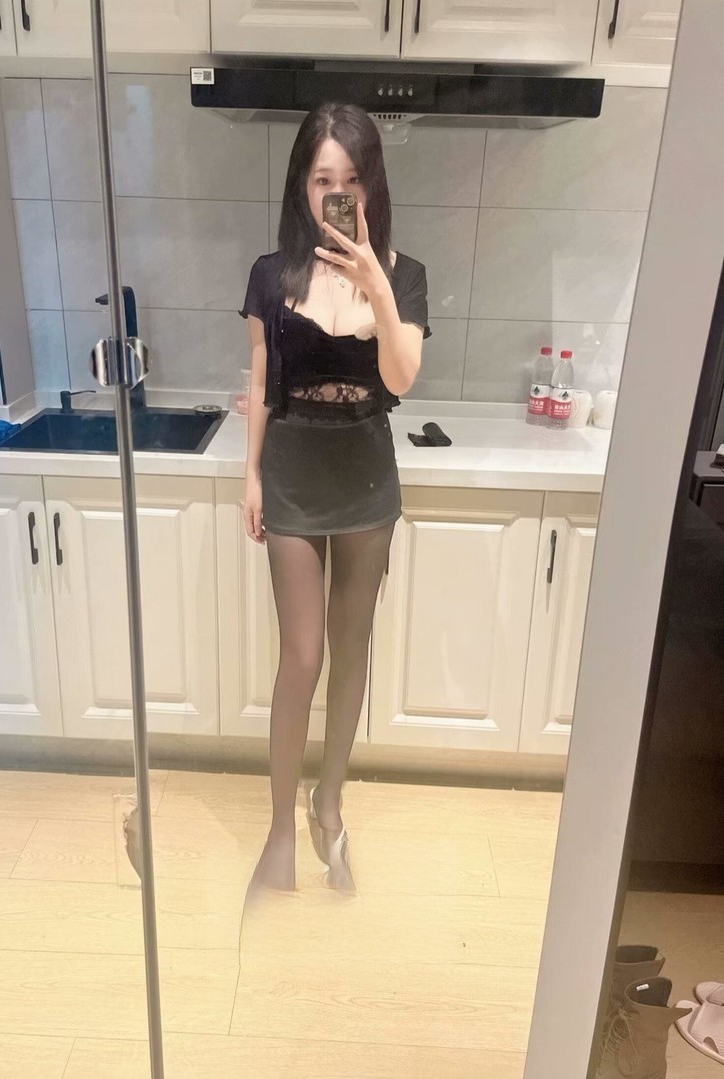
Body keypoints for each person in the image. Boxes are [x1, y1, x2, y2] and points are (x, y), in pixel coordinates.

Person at [239, 102, 430, 894]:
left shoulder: (405, 276)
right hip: (290, 467)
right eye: (323, 179)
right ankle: (280, 827)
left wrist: (375, 287)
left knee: (351, 649)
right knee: (302, 655)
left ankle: (328, 803)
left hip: (365, 474)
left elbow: (399, 377)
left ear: (371, 186)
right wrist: (249, 474)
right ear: (302, 185)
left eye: (351, 179)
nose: (337, 193)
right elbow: (260, 379)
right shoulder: (269, 274)